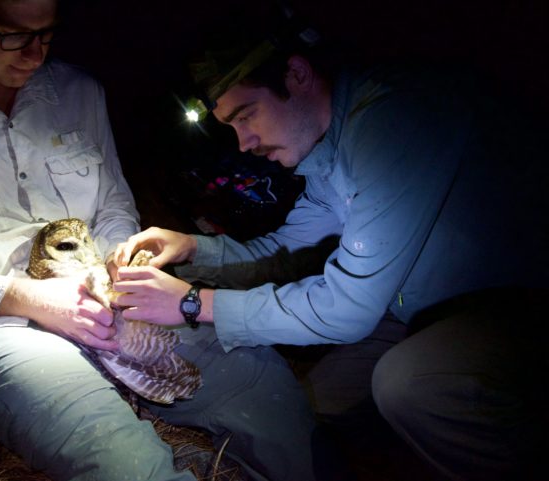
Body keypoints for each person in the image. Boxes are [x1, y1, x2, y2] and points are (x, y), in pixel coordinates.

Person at [0, 1, 323, 480]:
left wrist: (119, 269)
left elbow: (114, 209)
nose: (34, 55)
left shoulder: (79, 91)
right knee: (127, 466)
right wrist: (24, 296)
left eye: (47, 34)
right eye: (13, 34)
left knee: (267, 390)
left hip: (110, 301)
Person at [112, 14, 549, 481]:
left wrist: (195, 304)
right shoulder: (326, 155)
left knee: (412, 385)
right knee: (310, 408)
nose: (244, 143)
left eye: (246, 115)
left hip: (517, 306)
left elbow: (347, 309)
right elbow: (283, 251)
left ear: (297, 74)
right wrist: (192, 248)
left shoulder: (394, 116)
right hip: (418, 312)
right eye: (232, 126)